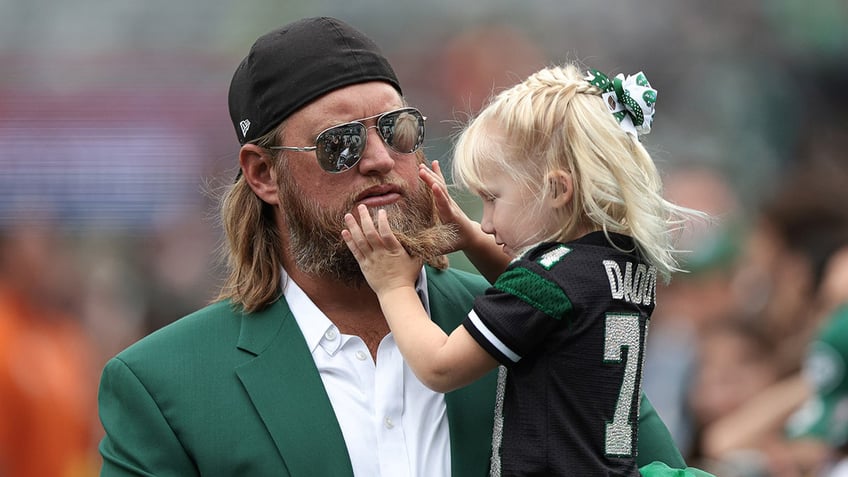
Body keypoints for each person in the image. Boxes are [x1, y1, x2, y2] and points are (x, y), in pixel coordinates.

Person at [97, 17, 689, 476]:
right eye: (341, 143)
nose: (380, 159)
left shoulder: (540, 315)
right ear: (263, 174)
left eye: (398, 130)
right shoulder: (163, 384)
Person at [342, 63, 710, 475]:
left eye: (494, 198)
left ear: (556, 189)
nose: (487, 222)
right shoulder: (619, 259)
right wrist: (469, 238)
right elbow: (540, 301)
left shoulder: (550, 281)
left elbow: (440, 366)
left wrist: (392, 285)